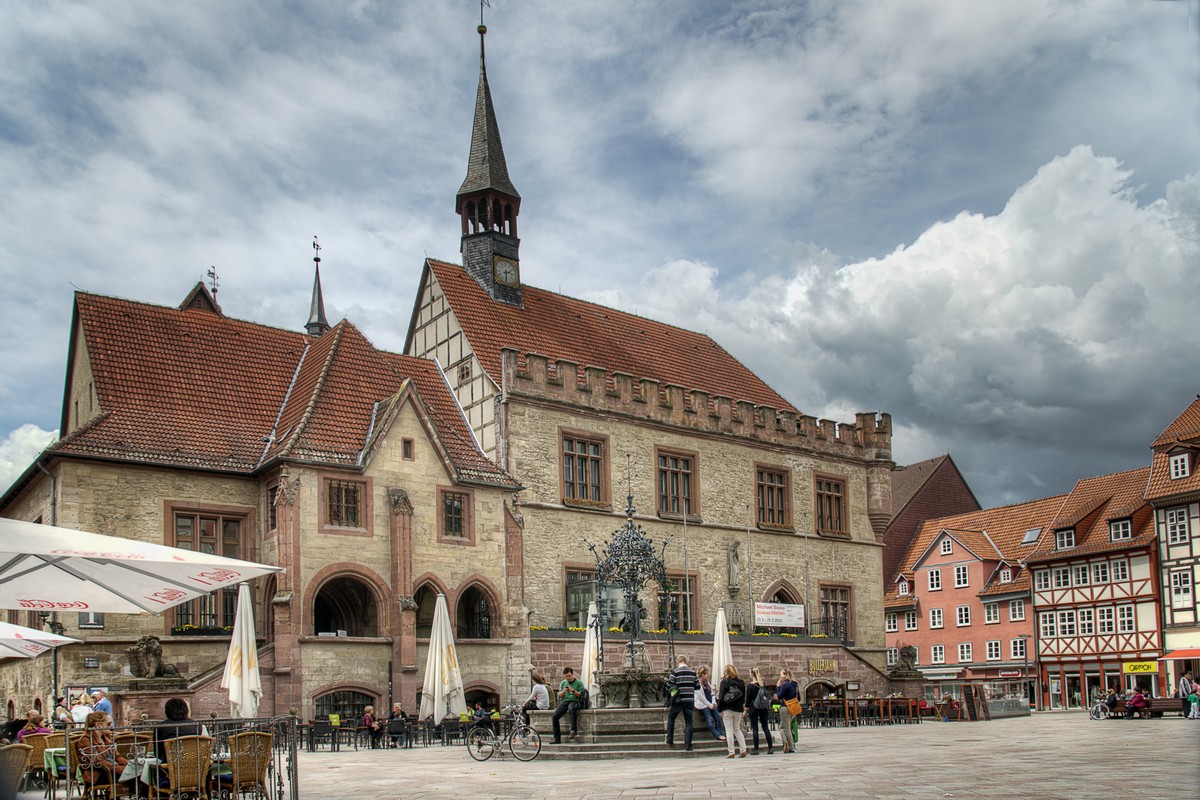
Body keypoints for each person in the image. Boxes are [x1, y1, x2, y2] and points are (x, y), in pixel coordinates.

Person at [79, 711, 129, 787]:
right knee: (138, 777)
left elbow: (117, 757)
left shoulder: (106, 737)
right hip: (99, 774)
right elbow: (98, 762)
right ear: (98, 725)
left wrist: (130, 765)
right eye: (108, 724)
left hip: (113, 770)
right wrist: (122, 769)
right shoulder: (86, 739)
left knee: (142, 774)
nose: (111, 726)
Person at [664, 654, 699, 752]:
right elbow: (697, 686)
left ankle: (670, 739)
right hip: (689, 700)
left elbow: (668, 686)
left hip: (678, 700)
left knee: (671, 717)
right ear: (686, 662)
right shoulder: (693, 672)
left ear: (678, 662)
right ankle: (688, 745)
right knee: (689, 722)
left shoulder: (675, 672)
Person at [153, 697, 203, 763]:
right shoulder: (196, 725)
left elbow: (157, 753)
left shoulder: (161, 727)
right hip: (194, 765)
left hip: (168, 766)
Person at [716, 664, 748, 758]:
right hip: (738, 709)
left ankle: (731, 751)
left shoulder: (724, 682)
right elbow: (743, 697)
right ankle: (743, 749)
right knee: (737, 729)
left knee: (729, 730)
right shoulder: (741, 682)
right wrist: (742, 708)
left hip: (727, 709)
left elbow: (721, 697)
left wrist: (719, 709)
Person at [551, 667, 585, 744]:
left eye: (569, 676)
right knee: (555, 716)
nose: (568, 678)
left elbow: (580, 695)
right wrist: (564, 691)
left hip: (575, 700)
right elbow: (560, 695)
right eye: (566, 676)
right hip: (565, 701)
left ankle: (573, 730)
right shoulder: (563, 683)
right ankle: (557, 738)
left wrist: (573, 690)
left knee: (571, 708)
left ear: (572, 674)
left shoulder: (579, 683)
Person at [745, 667, 774, 755]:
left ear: (751, 674)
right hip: (763, 708)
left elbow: (748, 700)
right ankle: (770, 747)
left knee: (755, 728)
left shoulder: (750, 686)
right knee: (765, 727)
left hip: (754, 708)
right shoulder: (762, 684)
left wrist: (746, 710)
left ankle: (756, 749)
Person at [695, 667, 725, 740]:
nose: (709, 675)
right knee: (709, 719)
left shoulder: (707, 683)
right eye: (707, 674)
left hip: (711, 704)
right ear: (702, 675)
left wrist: (714, 702)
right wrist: (710, 705)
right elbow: (701, 697)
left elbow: (712, 693)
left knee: (718, 717)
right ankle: (717, 735)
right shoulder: (698, 684)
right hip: (703, 704)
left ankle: (720, 733)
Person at [774, 668, 799, 754]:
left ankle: (790, 746)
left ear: (785, 675)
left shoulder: (785, 685)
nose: (780, 676)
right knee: (782, 727)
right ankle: (787, 743)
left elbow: (779, 696)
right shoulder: (795, 684)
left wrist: (777, 687)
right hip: (794, 707)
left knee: (786, 728)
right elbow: (798, 697)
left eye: (781, 674)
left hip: (785, 707)